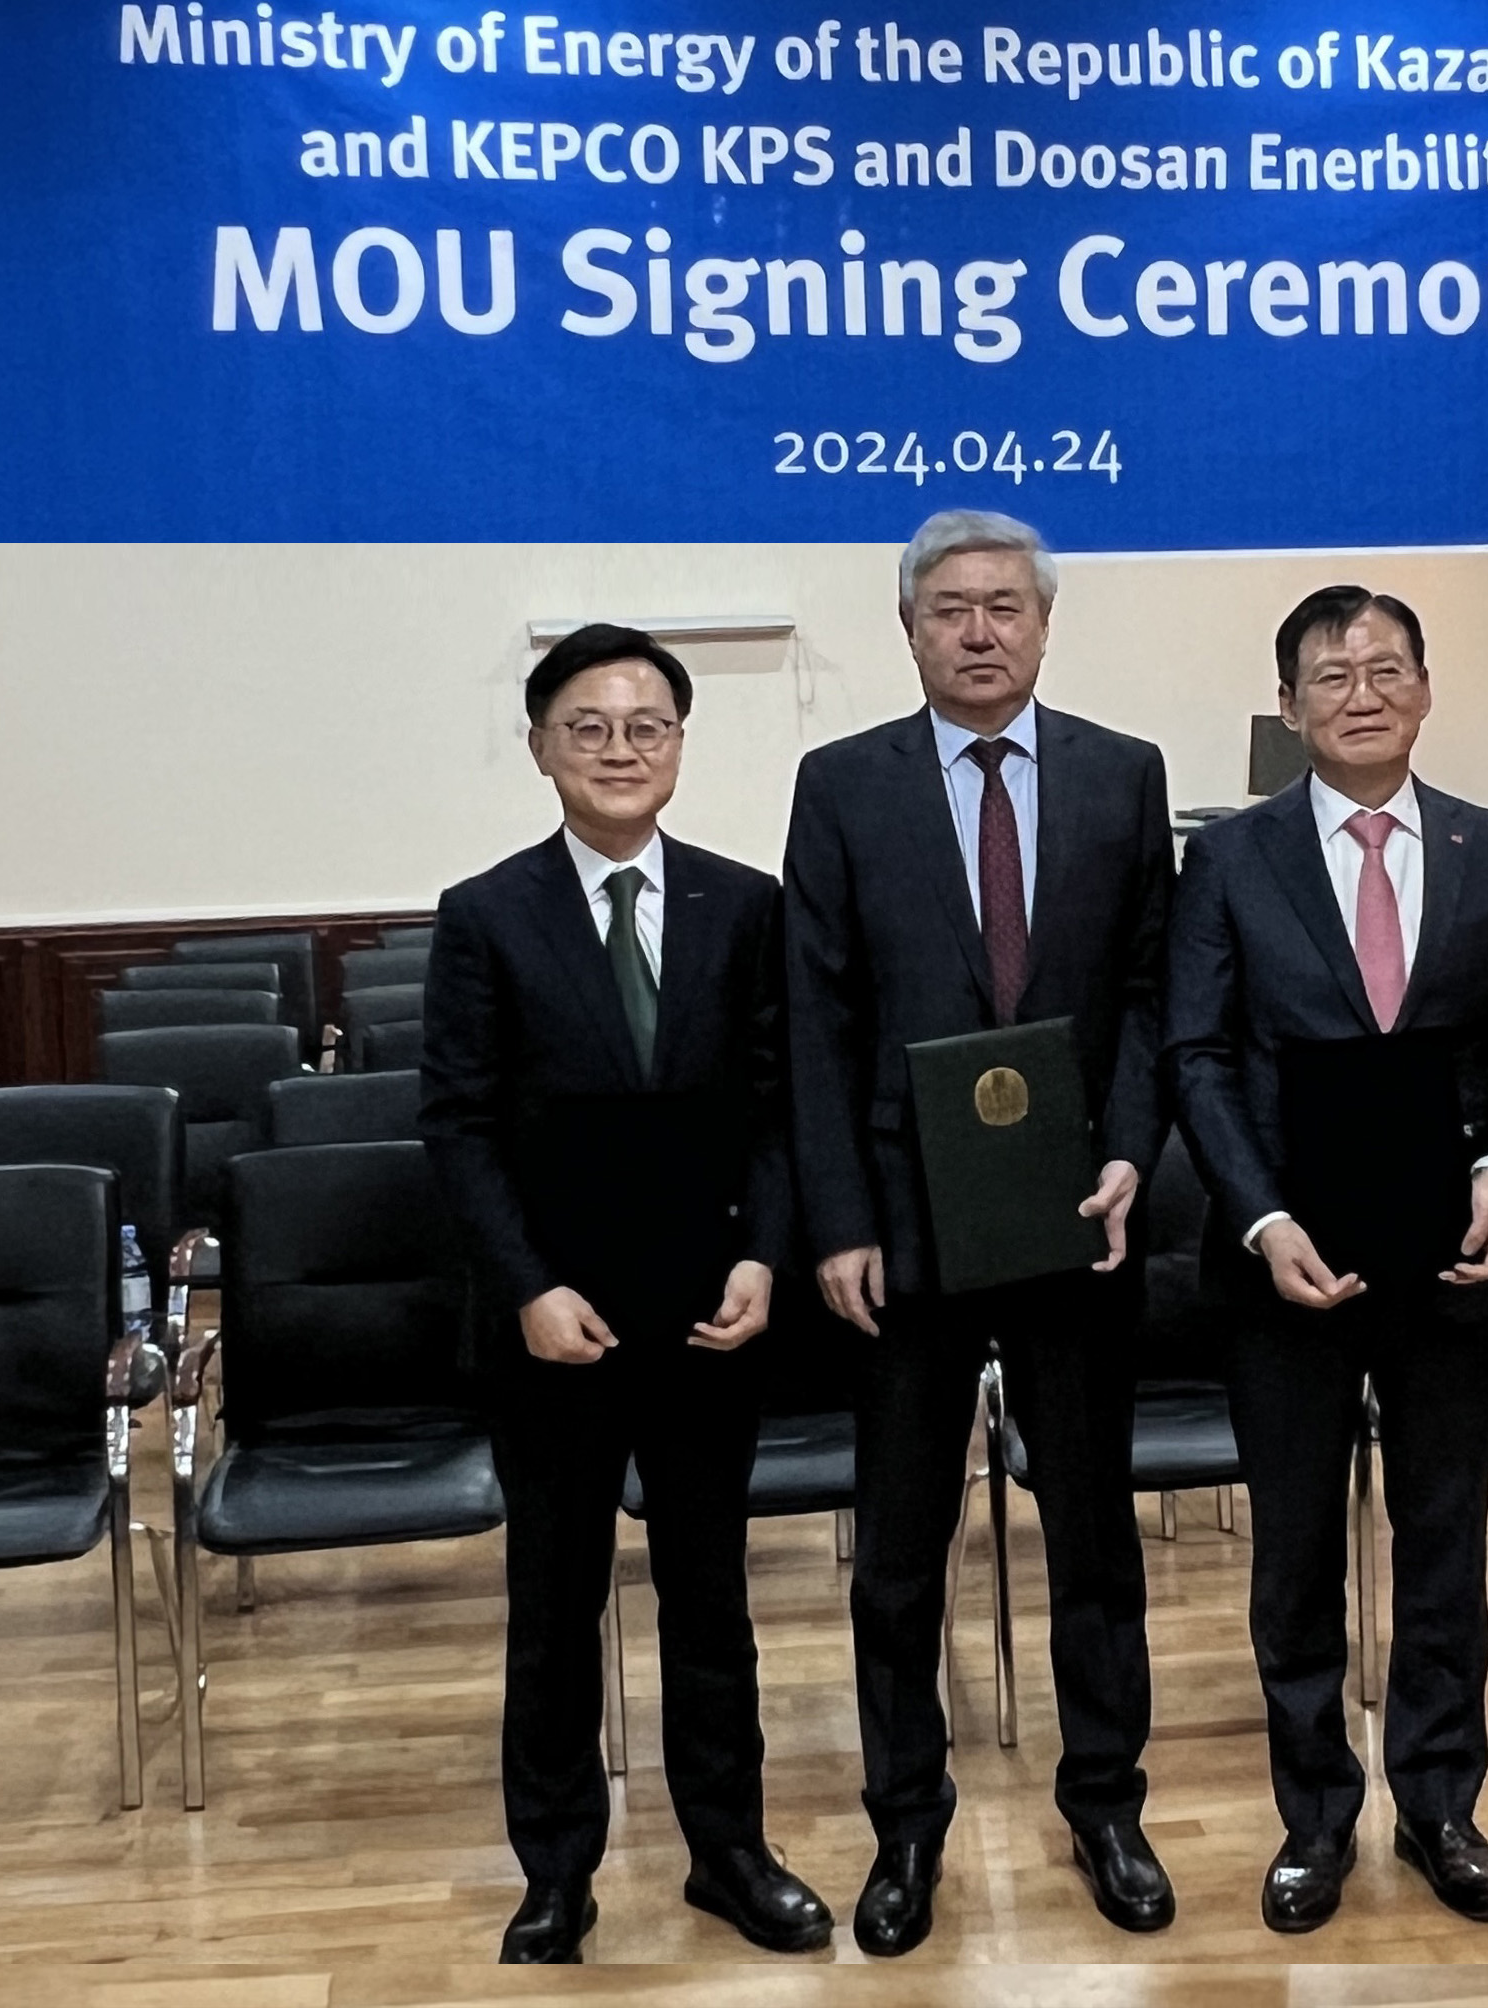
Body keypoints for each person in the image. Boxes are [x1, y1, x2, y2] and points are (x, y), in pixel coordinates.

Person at [783, 510, 1178, 1955]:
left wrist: (1134, 1151)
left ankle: (1107, 1804)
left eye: (1005, 604)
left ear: (1045, 620)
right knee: (898, 1551)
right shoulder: (841, 785)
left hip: (1078, 1216)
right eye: (949, 607)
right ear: (909, 628)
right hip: (900, 1231)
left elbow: (1148, 998)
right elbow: (813, 1024)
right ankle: (907, 1825)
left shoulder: (1123, 778)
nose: (980, 629)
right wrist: (835, 1219)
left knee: (1091, 1536)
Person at [1164, 585, 1488, 1932]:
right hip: (1281, 1263)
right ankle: (1315, 1820)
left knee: (1444, 1541)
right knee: (1294, 1556)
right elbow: (1198, 1055)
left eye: (1386, 668)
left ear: (1422, 690)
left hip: (1447, 1262)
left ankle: (1443, 1807)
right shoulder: (1230, 861)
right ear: (1288, 707)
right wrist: (1261, 1218)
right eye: (1331, 675)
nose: (1361, 692)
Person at [421, 623, 831, 1965]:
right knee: (554, 1606)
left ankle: (731, 1851)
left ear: (679, 745)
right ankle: (555, 1869)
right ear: (541, 747)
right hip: (556, 1331)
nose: (618, 749)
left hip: (711, 1315)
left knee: (711, 1599)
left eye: (645, 724)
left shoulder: (744, 905)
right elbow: (461, 1130)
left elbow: (780, 1114)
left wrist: (766, 1254)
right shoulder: (486, 916)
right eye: (587, 726)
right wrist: (529, 1287)